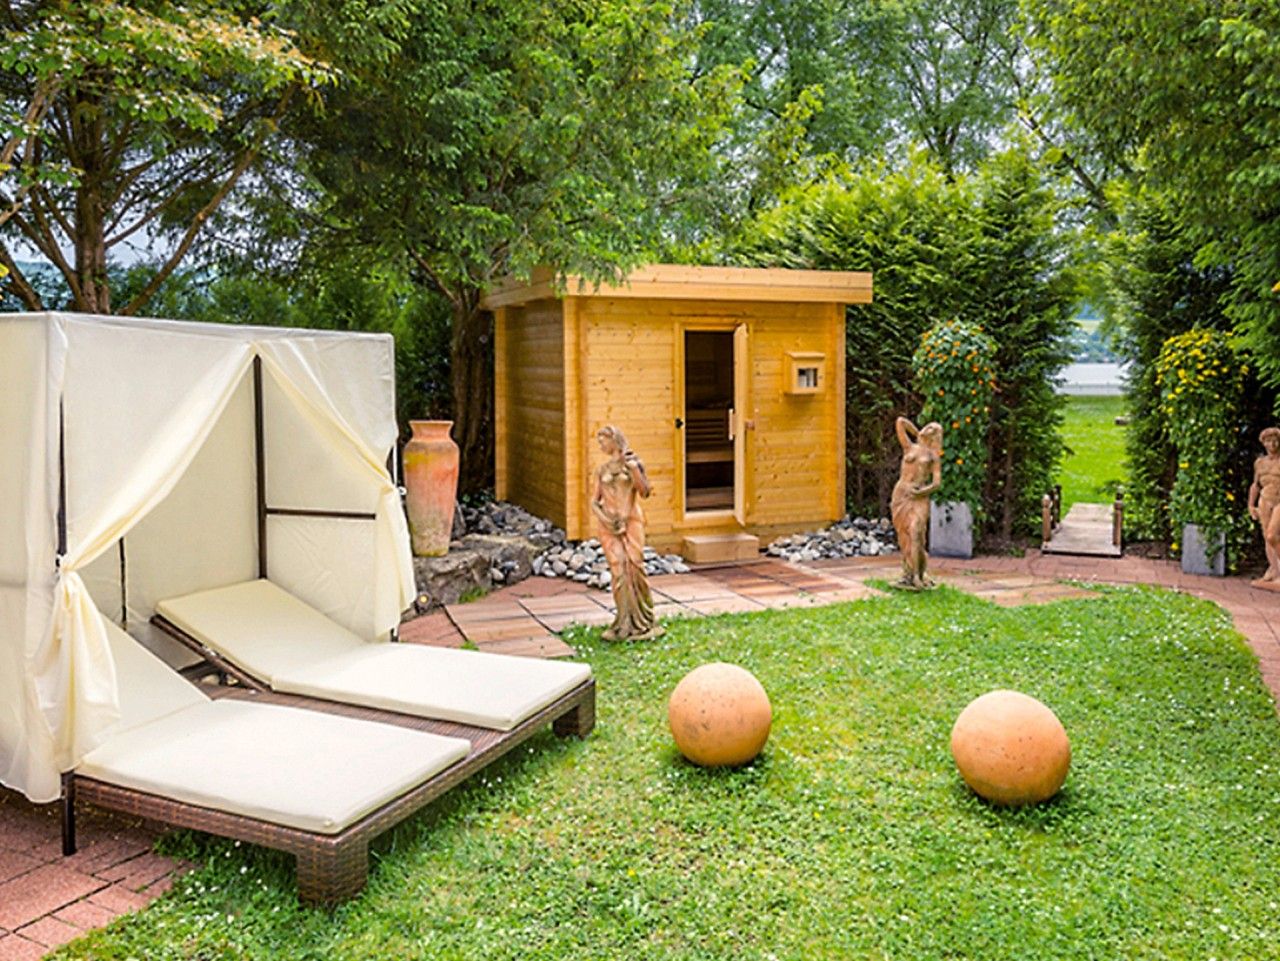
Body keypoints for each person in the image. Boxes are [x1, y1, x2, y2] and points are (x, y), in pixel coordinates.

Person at [591, 425, 664, 640]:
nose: (601, 445)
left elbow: (645, 492)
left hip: (632, 521)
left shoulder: (633, 463)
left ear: (614, 440)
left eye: (603, 440)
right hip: (608, 525)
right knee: (618, 570)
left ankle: (645, 619)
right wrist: (607, 520)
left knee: (636, 565)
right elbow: (594, 502)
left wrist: (634, 470)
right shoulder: (602, 470)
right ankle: (623, 620)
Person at [891, 415, 943, 590]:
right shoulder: (909, 447)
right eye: (928, 426)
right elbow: (900, 422)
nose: (929, 429)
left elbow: (936, 483)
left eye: (933, 429)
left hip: (919, 496)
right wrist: (917, 433)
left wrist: (922, 492)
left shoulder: (933, 456)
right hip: (901, 494)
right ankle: (908, 572)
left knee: (916, 532)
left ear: (936, 435)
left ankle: (918, 574)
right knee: (903, 534)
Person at [1248, 426, 1280, 585]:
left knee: (1272, 535)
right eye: (1268, 441)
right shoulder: (1260, 463)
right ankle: (1274, 569)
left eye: (1275, 441)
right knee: (1266, 536)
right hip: (1265, 500)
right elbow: (1255, 485)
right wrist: (1250, 505)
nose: (1272, 444)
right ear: (1263, 443)